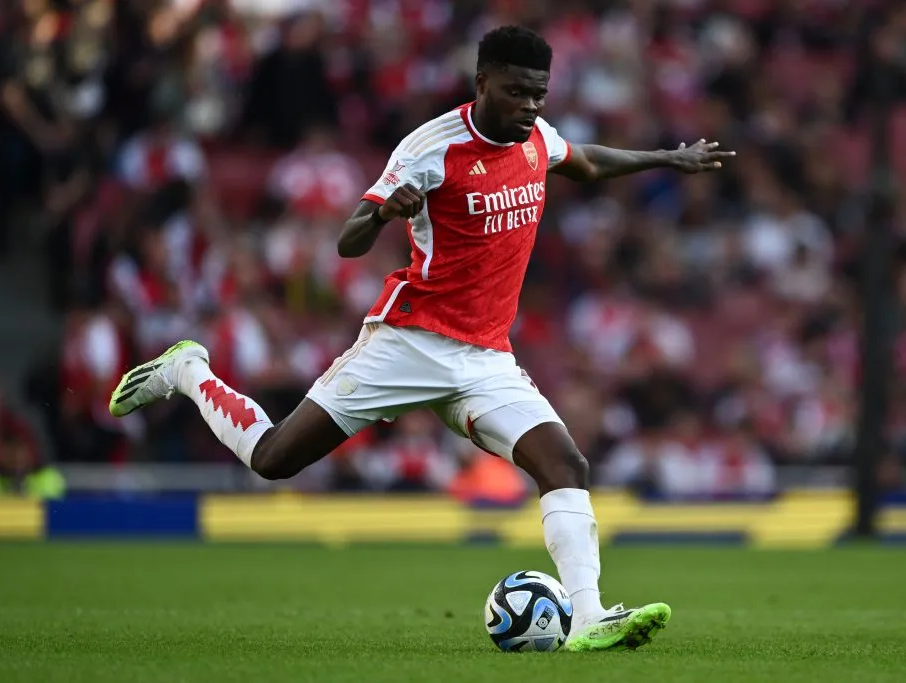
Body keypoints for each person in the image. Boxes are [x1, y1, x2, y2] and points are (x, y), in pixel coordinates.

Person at [108, 26, 734, 651]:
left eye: (539, 93)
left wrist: (668, 158)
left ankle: (589, 616)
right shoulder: (431, 148)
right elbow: (347, 240)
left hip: (486, 356)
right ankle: (189, 370)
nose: (530, 105)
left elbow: (588, 161)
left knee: (565, 463)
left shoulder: (536, 136)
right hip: (408, 342)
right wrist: (383, 211)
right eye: (517, 92)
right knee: (274, 460)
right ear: (482, 82)